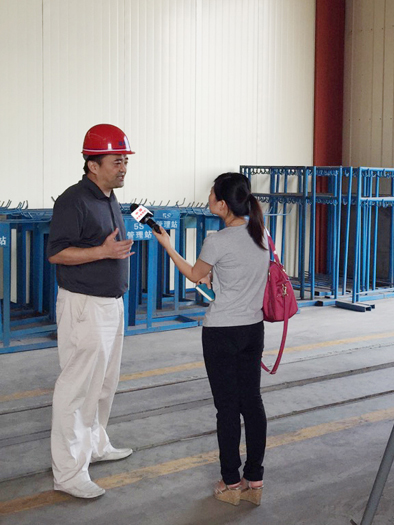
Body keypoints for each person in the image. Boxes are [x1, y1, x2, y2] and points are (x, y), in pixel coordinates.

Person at [152, 172, 269, 506]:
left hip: (222, 333)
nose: (208, 199)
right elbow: (240, 272)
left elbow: (194, 274)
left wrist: (168, 246)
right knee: (252, 403)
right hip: (253, 329)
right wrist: (219, 277)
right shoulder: (261, 233)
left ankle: (231, 483)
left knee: (227, 408)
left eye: (212, 194)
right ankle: (255, 481)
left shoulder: (217, 241)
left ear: (222, 204)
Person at [47, 124, 136, 499]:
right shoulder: (74, 201)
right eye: (117, 161)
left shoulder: (108, 198)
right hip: (84, 306)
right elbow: (57, 253)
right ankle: (69, 473)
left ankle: (95, 444)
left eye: (125, 161)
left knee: (103, 384)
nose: (123, 168)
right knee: (77, 388)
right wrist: (102, 252)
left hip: (111, 304)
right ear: (93, 164)